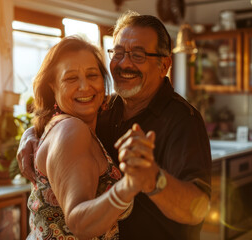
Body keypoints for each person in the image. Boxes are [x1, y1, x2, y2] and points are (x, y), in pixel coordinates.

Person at [18, 11, 212, 240]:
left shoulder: (183, 120)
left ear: (164, 65)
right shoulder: (103, 108)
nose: (124, 64)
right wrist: (32, 133)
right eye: (118, 53)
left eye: (138, 55)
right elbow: (64, 121)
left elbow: (197, 209)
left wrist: (153, 179)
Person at [26, 36, 152, 240]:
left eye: (92, 75)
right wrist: (128, 186)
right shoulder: (71, 129)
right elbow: (79, 224)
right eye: (71, 78)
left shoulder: (71, 125)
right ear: (52, 86)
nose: (85, 87)